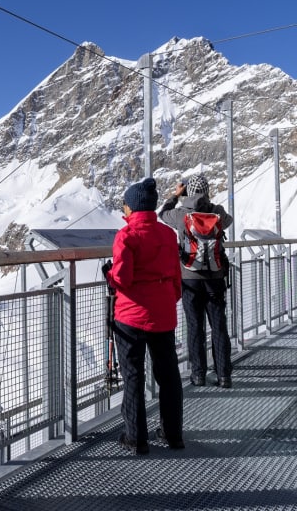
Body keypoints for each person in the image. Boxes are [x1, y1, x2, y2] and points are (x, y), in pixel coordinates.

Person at [104, 177, 184, 454]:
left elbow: (122, 279)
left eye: (124, 205)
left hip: (131, 317)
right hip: (162, 315)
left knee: (134, 376)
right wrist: (166, 299)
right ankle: (173, 434)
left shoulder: (126, 236)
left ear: (132, 208)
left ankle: (136, 438)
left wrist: (109, 273)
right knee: (169, 375)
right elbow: (176, 275)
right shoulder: (167, 234)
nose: (123, 209)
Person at [158, 173, 234, 388]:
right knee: (218, 326)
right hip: (216, 278)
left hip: (190, 278)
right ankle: (224, 375)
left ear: (188, 191)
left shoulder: (181, 215)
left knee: (195, 326)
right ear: (207, 191)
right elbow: (229, 221)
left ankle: (198, 375)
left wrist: (175, 196)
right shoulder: (217, 212)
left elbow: (162, 214)